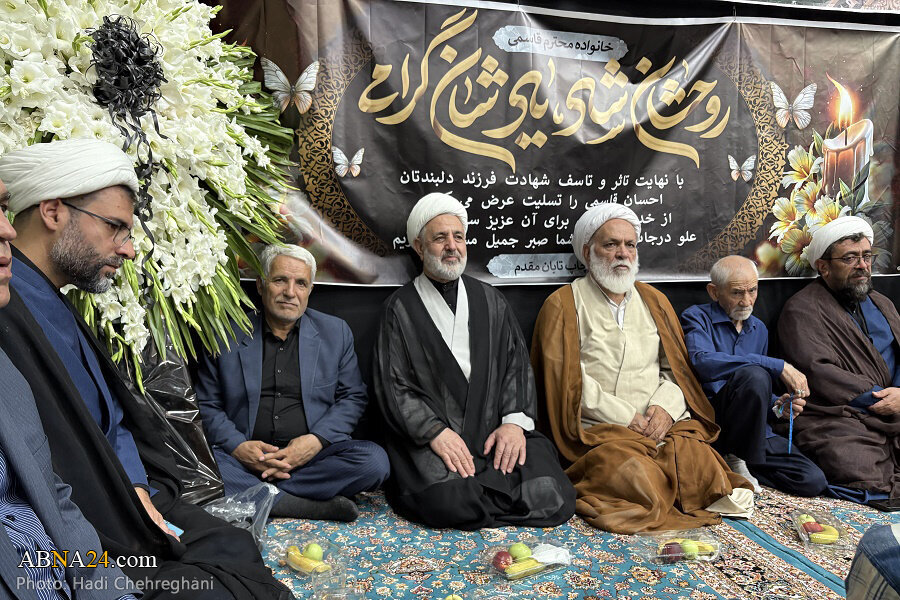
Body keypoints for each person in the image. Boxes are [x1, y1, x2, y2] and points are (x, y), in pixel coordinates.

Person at [0, 139, 293, 600]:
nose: (130, 250)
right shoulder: (10, 308)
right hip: (84, 532)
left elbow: (111, 419)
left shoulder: (51, 297)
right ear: (53, 212)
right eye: (115, 227)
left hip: (124, 496)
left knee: (232, 544)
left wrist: (135, 485)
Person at [531, 204, 754, 534]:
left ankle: (677, 486)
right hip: (600, 430)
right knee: (636, 475)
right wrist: (628, 418)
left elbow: (676, 371)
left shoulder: (653, 300)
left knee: (701, 464)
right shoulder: (563, 304)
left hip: (661, 425)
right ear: (587, 252)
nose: (623, 253)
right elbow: (566, 383)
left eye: (630, 245)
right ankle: (660, 492)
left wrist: (664, 409)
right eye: (611, 245)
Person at [372, 193, 575, 530]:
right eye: (440, 238)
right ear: (419, 247)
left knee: (553, 492)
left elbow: (516, 367)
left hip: (493, 433)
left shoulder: (491, 299)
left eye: (458, 237)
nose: (452, 246)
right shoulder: (400, 308)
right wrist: (435, 433)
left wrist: (512, 424)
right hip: (434, 441)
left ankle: (487, 500)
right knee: (448, 501)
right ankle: (494, 501)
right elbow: (393, 387)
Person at [0, 177, 140, 599]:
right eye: (114, 226)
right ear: (53, 213)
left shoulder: (6, 372)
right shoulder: (16, 316)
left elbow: (53, 495)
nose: (8, 230)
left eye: (3, 209)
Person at [196, 244, 389, 521]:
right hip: (245, 459)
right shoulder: (226, 335)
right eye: (280, 280)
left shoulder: (335, 333)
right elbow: (207, 405)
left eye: (301, 283)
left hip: (312, 460)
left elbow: (353, 397)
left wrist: (315, 441)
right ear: (261, 285)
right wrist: (238, 447)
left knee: (374, 461)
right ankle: (300, 504)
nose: (290, 292)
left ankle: (265, 497)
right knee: (196, 463)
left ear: (310, 290)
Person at [680, 255, 828, 496]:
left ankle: (736, 463)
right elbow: (702, 363)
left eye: (753, 290)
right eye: (737, 293)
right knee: (754, 374)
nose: (747, 301)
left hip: (753, 431)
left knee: (812, 480)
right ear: (714, 292)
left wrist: (778, 407)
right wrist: (776, 365)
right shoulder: (697, 317)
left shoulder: (758, 328)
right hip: (716, 424)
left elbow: (759, 393)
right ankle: (734, 458)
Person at [777, 215, 899, 502]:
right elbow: (819, 372)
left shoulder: (882, 303)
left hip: (896, 405)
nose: (862, 265)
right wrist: (880, 399)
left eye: (866, 256)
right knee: (850, 459)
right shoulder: (802, 309)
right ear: (824, 267)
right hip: (839, 413)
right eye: (850, 258)